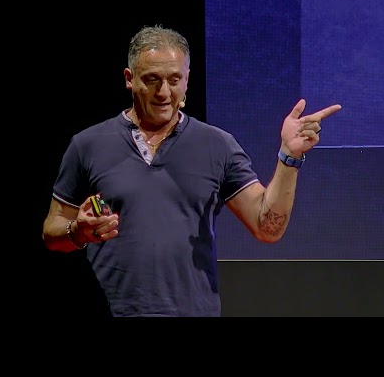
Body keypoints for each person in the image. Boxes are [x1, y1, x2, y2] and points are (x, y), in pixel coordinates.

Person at [42, 24, 342, 317]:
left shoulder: (217, 145)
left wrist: (288, 157)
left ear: (187, 80)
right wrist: (77, 232)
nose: (164, 92)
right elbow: (51, 232)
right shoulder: (88, 145)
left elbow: (267, 228)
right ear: (129, 79)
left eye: (174, 79)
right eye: (152, 79)